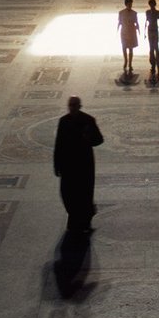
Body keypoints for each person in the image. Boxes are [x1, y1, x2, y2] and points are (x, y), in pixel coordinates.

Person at [53, 96, 104, 233]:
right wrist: (57, 165)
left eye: (75, 105)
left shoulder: (88, 120)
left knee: (83, 193)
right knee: (67, 193)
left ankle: (81, 220)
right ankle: (75, 216)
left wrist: (88, 138)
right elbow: (59, 144)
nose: (72, 107)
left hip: (83, 164)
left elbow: (99, 139)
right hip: (69, 164)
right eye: (71, 105)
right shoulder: (63, 121)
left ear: (79, 106)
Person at [117, 0, 139, 76]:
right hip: (124, 33)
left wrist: (138, 29)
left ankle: (130, 63)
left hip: (131, 33)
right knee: (124, 47)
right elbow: (119, 22)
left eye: (131, 4)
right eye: (129, 4)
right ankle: (125, 61)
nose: (130, 5)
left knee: (130, 48)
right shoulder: (121, 13)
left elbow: (136, 22)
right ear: (126, 4)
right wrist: (117, 30)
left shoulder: (134, 13)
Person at [145, 0, 159, 80]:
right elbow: (146, 22)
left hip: (155, 31)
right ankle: (153, 65)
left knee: (156, 48)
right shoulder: (147, 12)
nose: (152, 6)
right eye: (151, 5)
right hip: (150, 31)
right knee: (151, 48)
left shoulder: (158, 12)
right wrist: (144, 33)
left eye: (153, 5)